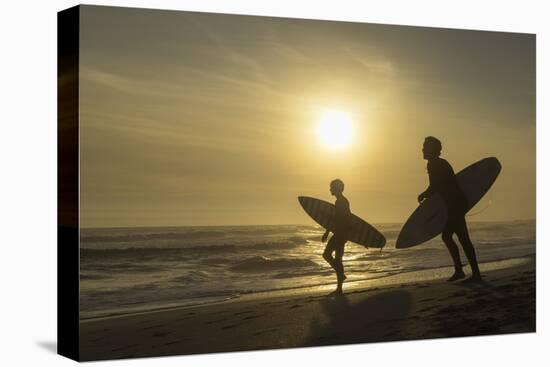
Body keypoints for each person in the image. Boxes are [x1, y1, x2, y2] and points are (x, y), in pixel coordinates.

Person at [418, 136, 482, 283]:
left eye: (425, 147)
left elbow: (436, 186)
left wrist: (424, 194)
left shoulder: (434, 164)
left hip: (455, 205)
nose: (422, 150)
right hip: (455, 204)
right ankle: (464, 271)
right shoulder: (438, 163)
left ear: (432, 150)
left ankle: (468, 272)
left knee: (455, 237)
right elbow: (440, 186)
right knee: (457, 237)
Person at [321, 179, 352, 295]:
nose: (330, 189)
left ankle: (341, 274)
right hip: (343, 234)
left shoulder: (340, 202)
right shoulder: (344, 201)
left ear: (337, 189)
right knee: (338, 259)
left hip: (339, 234)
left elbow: (336, 219)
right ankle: (339, 288)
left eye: (332, 187)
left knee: (326, 255)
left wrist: (327, 232)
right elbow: (348, 218)